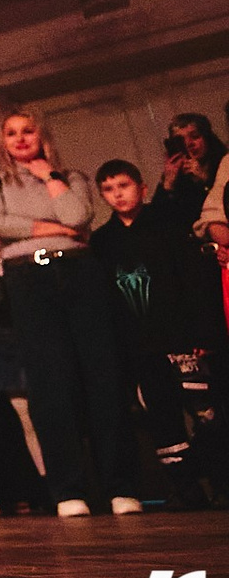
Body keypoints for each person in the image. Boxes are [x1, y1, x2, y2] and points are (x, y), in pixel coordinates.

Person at [0, 108, 140, 516]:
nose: (20, 138)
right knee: (50, 384)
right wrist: (58, 230)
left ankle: (120, 486)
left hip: (79, 274)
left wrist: (49, 177)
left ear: (41, 135)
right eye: (12, 133)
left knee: (101, 377)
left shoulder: (71, 177)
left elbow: (78, 215)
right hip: (28, 278)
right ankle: (68, 490)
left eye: (28, 131)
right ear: (3, 142)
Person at [90, 159, 224, 507]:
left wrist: (203, 334)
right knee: (162, 419)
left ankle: (222, 482)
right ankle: (185, 489)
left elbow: (194, 282)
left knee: (207, 414)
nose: (118, 195)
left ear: (142, 187)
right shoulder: (102, 242)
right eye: (108, 189)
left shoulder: (169, 227)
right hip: (139, 346)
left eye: (124, 185)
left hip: (180, 339)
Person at [152, 113, 226, 230]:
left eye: (195, 137)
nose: (189, 143)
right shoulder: (177, 175)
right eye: (180, 141)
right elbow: (157, 221)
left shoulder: (224, 164)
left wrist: (205, 180)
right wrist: (167, 186)